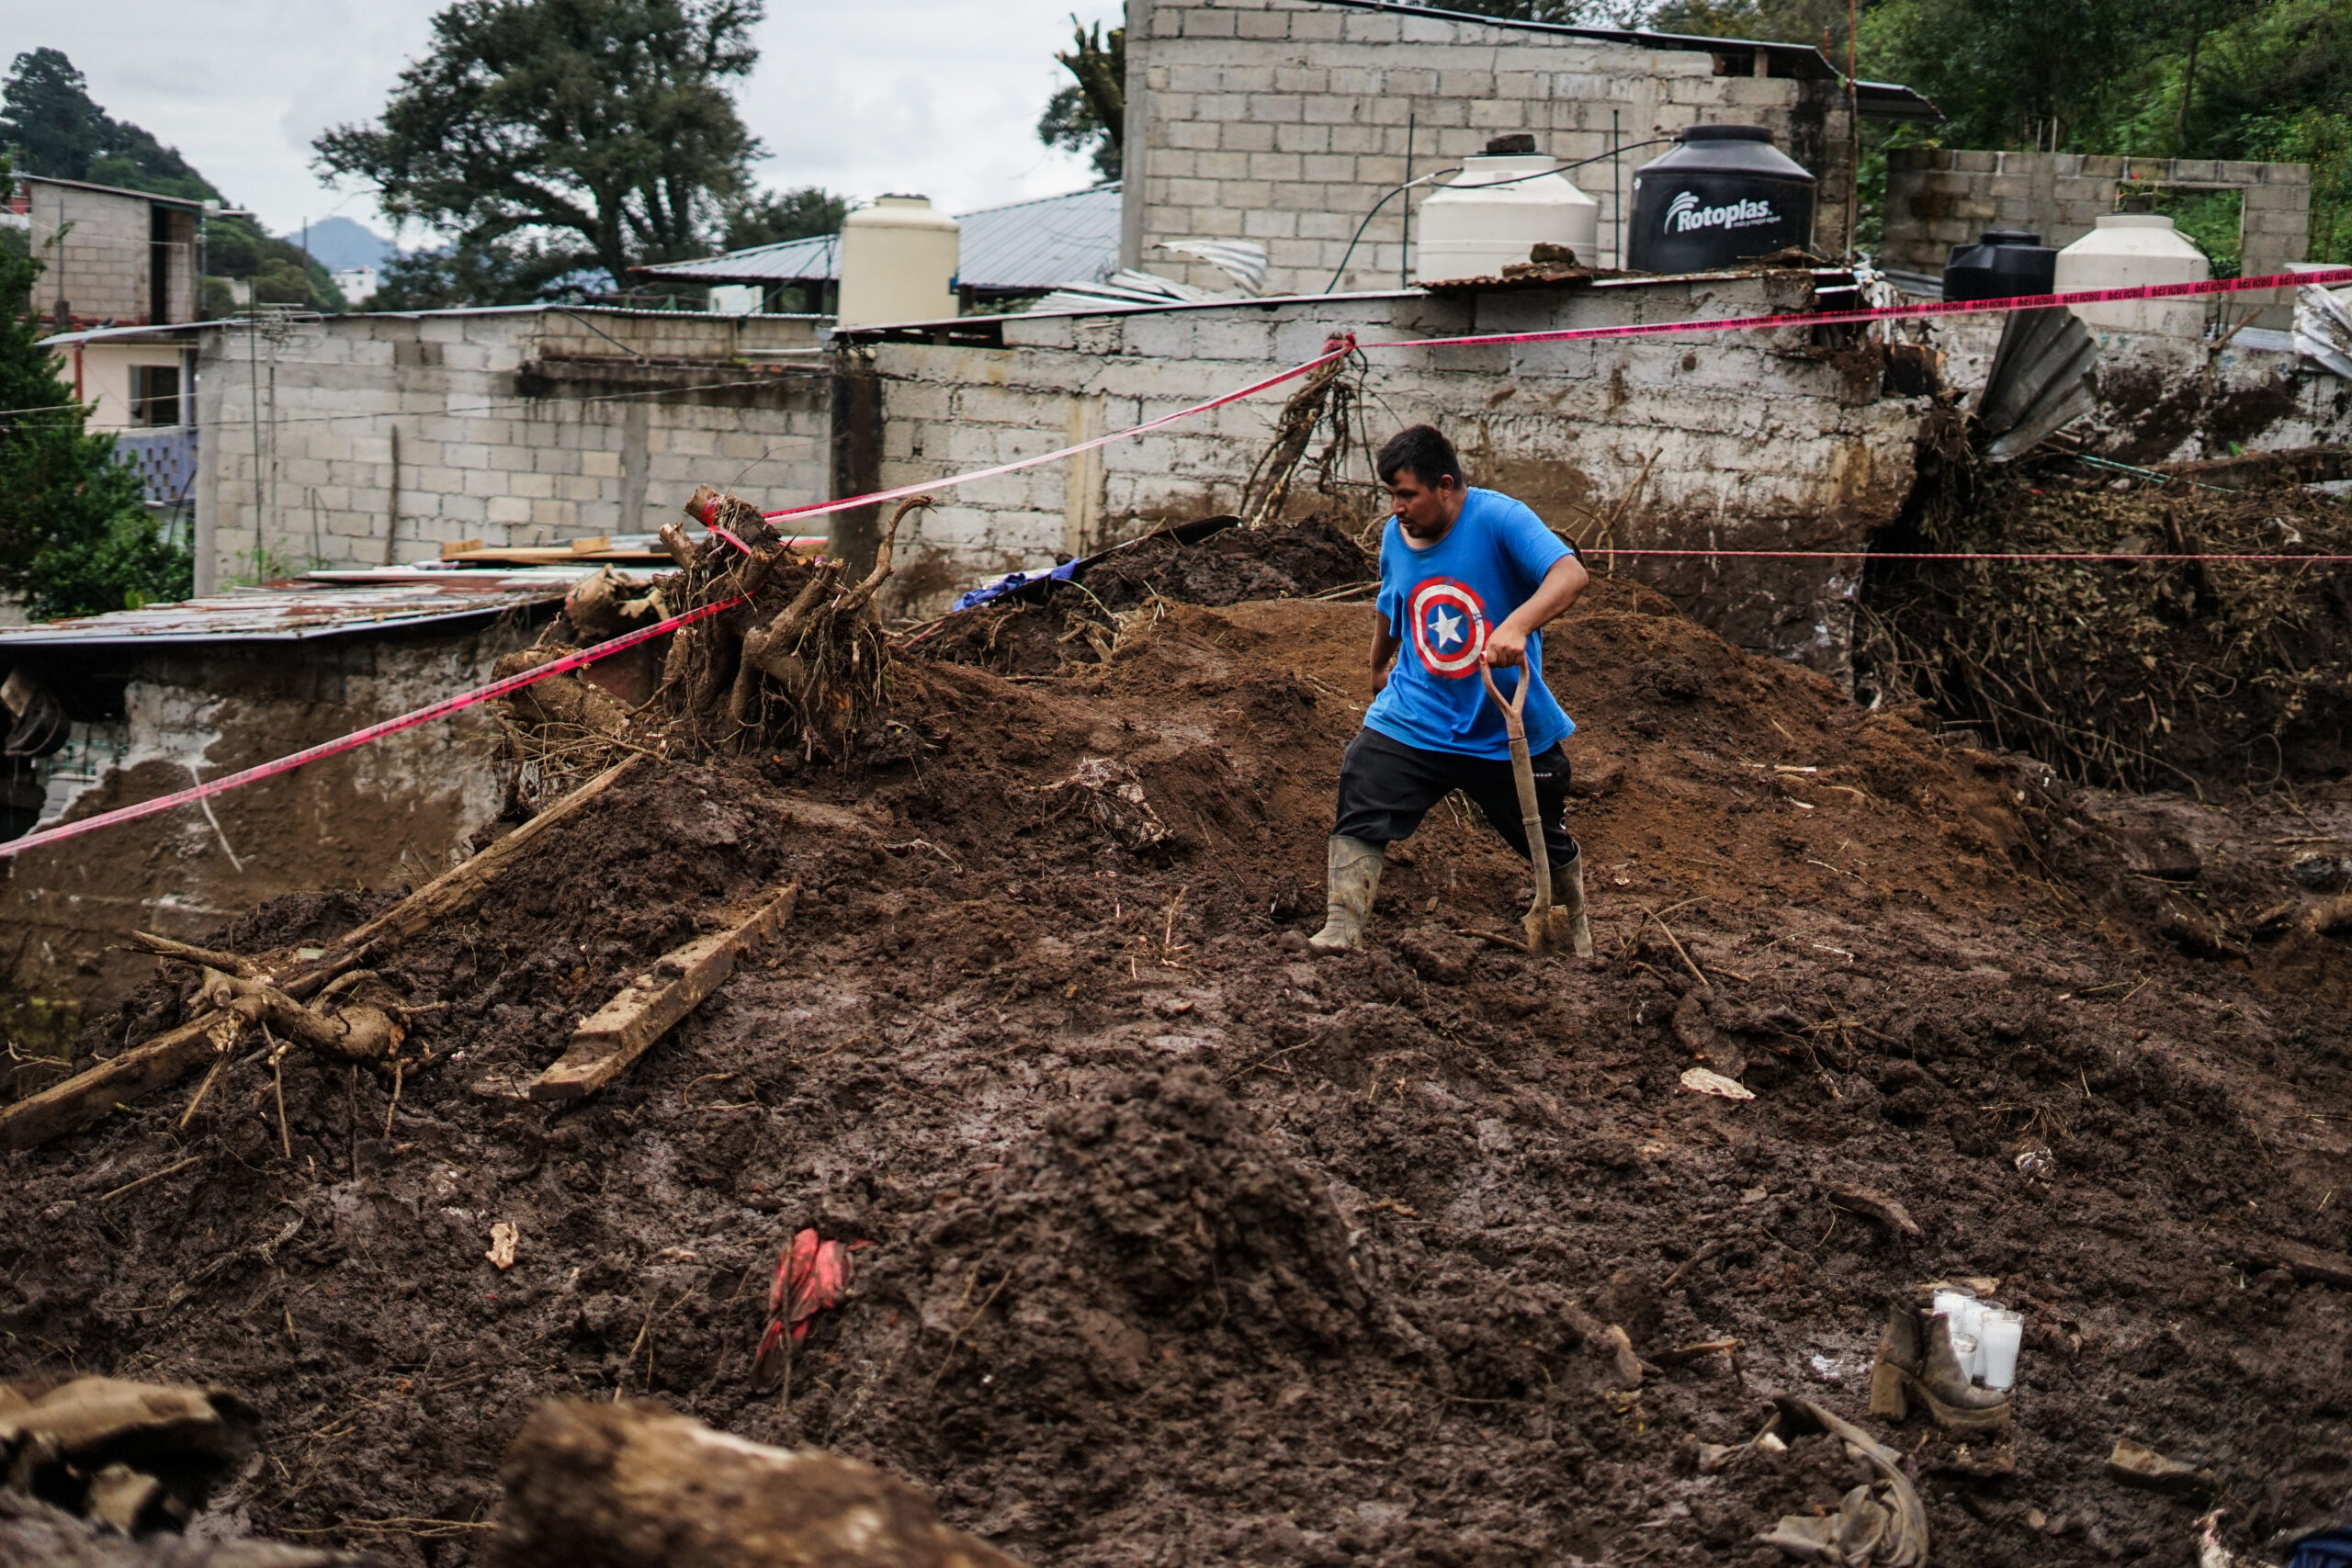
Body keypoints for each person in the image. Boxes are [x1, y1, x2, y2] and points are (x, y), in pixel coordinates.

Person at [1309, 423, 1592, 954]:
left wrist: (1516, 626)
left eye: (1407, 494)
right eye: (1391, 494)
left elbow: (1569, 576)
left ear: (1445, 485)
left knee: (1541, 840)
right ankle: (1341, 928)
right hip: (1418, 712)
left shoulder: (1500, 519)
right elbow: (1394, 605)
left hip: (1503, 723)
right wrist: (1377, 666)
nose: (1396, 507)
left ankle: (1573, 938)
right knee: (1364, 780)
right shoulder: (1397, 535)